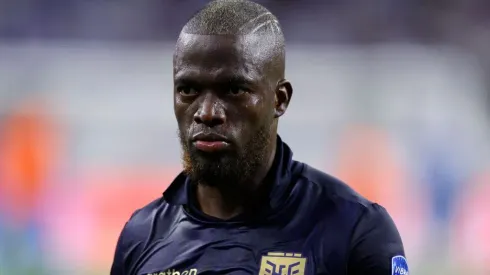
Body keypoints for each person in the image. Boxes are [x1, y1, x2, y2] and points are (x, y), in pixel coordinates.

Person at [110, 1, 408, 274]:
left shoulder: (354, 230)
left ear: (279, 100)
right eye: (188, 90)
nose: (207, 112)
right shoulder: (141, 236)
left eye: (234, 90)